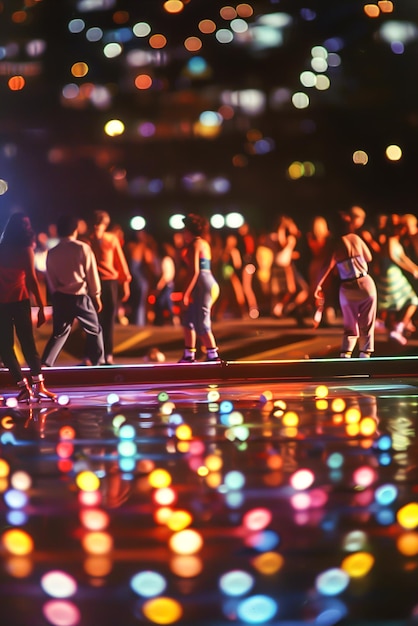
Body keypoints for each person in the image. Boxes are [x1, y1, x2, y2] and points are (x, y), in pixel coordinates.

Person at [0, 212, 56, 402]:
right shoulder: (26, 250)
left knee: (5, 348)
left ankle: (23, 386)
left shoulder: (2, 249)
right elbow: (32, 280)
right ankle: (38, 386)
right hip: (20, 301)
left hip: (3, 304)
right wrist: (41, 307)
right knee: (28, 345)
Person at [41, 214, 105, 367]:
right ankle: (99, 362)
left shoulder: (52, 251)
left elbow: (50, 277)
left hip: (61, 296)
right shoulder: (82, 248)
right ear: (75, 229)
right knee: (94, 330)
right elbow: (92, 273)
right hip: (80, 296)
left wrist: (56, 293)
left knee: (59, 333)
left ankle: (45, 364)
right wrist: (96, 295)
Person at [314, 217, 377, 358]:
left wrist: (317, 286)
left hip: (347, 288)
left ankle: (346, 355)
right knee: (367, 324)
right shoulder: (355, 238)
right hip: (366, 284)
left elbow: (326, 266)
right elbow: (369, 257)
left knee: (350, 326)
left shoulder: (334, 245)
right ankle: (365, 356)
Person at [89, 210, 131, 364]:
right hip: (93, 282)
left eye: (99, 226)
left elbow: (120, 262)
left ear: (104, 225)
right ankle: (93, 355)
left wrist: (125, 283)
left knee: (108, 320)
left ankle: (108, 355)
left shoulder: (111, 239)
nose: (96, 229)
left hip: (109, 282)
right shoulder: (87, 240)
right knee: (93, 320)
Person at [179, 213, 221, 363]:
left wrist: (185, 294)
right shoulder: (202, 243)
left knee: (201, 322)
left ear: (189, 231)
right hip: (205, 283)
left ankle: (213, 355)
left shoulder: (196, 244)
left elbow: (194, 271)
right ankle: (188, 354)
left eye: (184, 230)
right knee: (189, 319)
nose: (183, 234)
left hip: (203, 284)